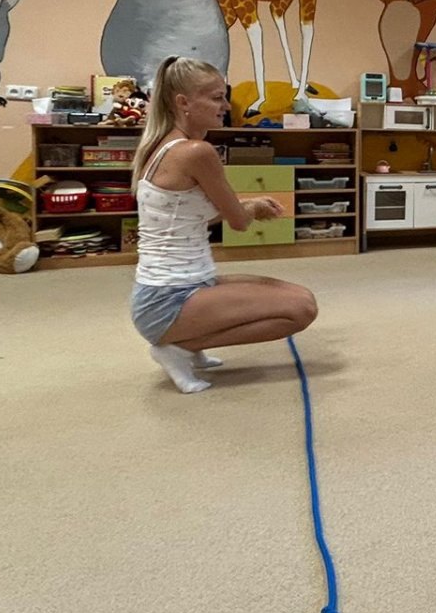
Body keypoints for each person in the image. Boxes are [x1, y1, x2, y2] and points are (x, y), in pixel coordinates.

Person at [128, 55, 317, 394]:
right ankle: (178, 347)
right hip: (168, 300)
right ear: (183, 102)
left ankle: (188, 342)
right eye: (217, 98)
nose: (226, 106)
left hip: (173, 289)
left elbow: (192, 215)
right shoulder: (195, 152)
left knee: (298, 296)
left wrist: (249, 207)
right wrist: (251, 208)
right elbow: (239, 222)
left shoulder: (160, 146)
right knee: (301, 309)